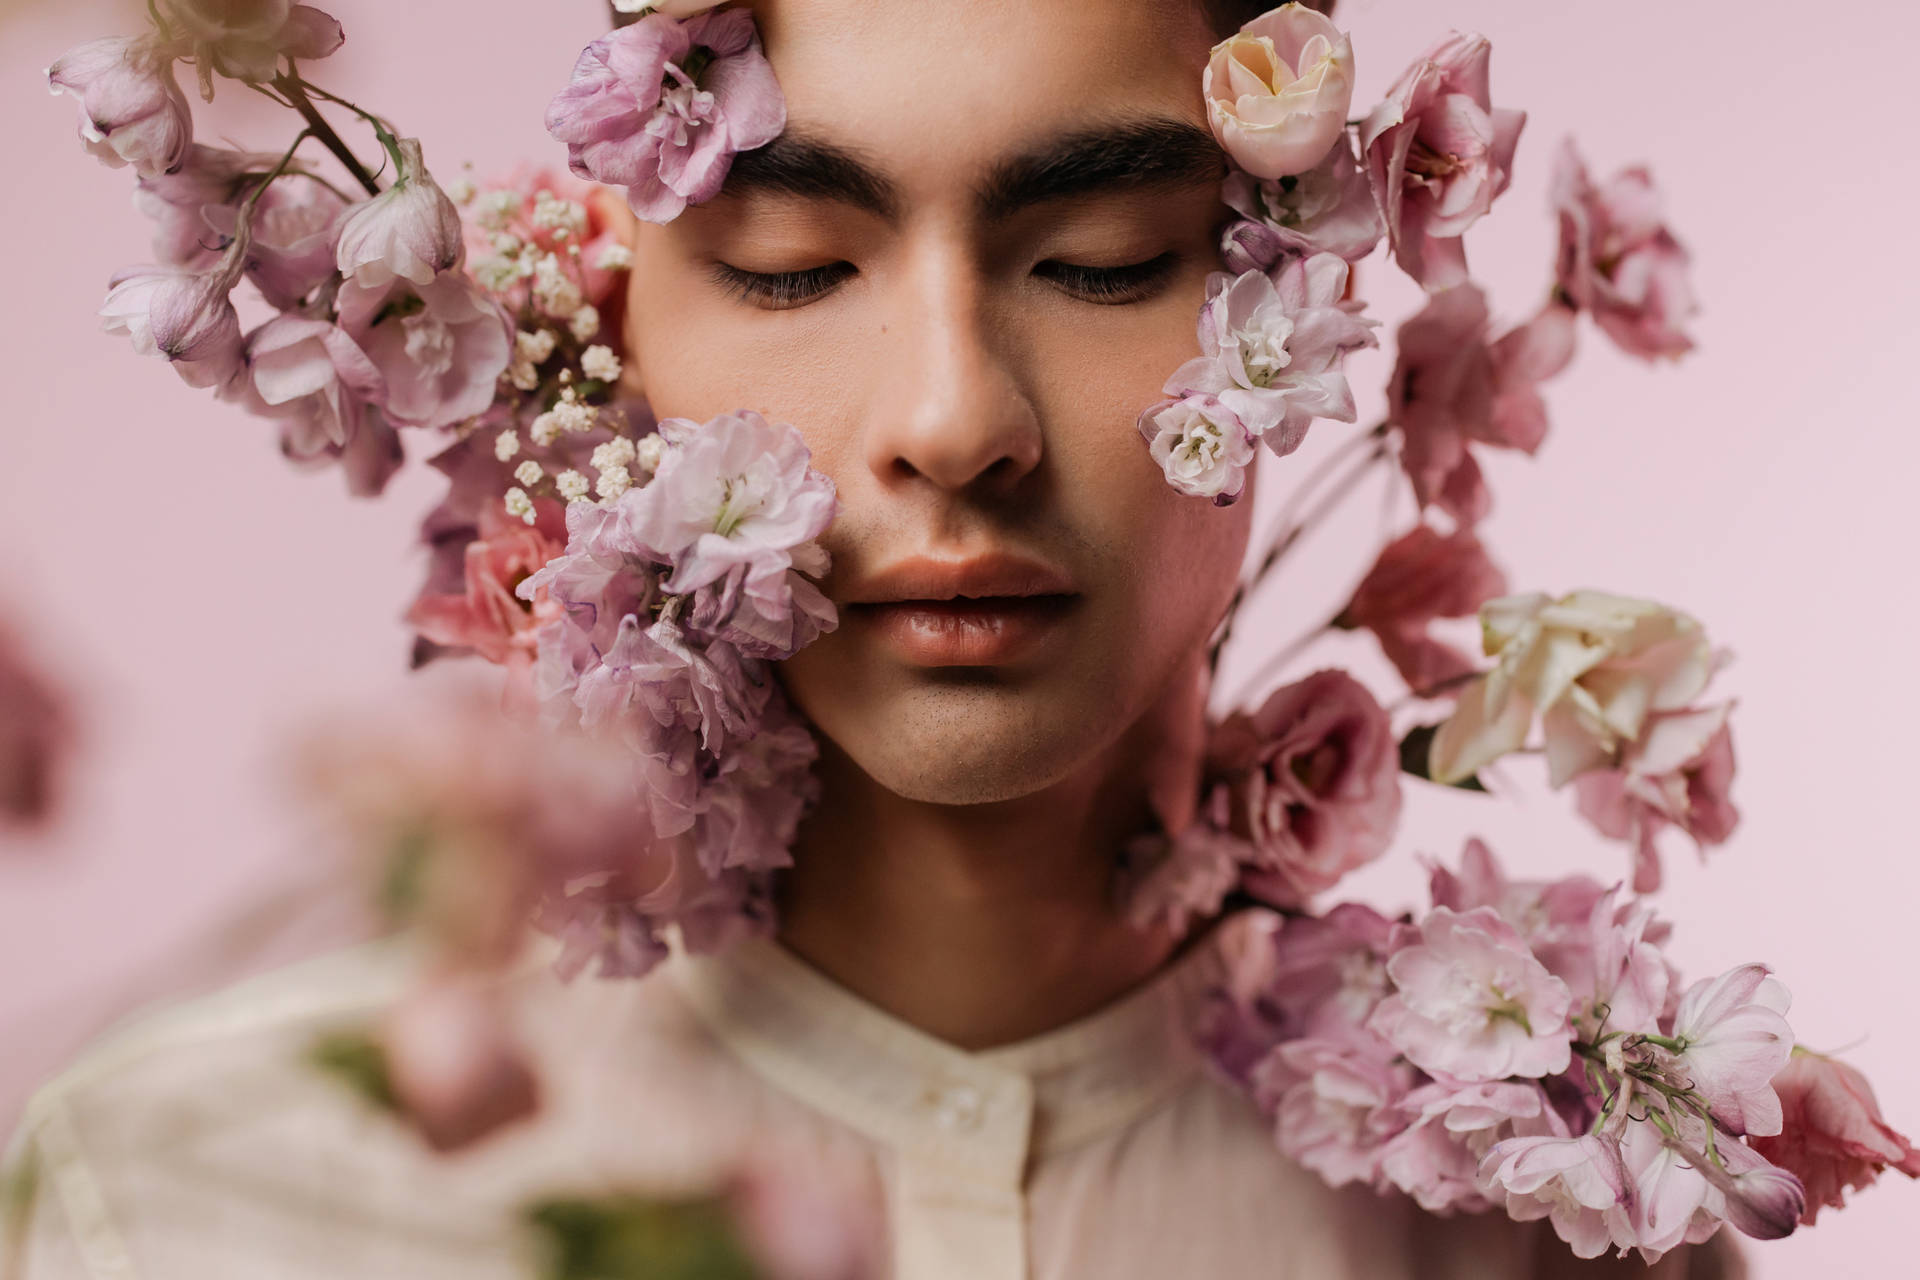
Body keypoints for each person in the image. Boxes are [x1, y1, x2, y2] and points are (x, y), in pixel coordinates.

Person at [2, 1, 1744, 1276]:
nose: (952, 418)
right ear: (600, 330)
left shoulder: (1559, 1235)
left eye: (1108, 260)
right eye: (782, 269)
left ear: (1307, 306)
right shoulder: (193, 1198)